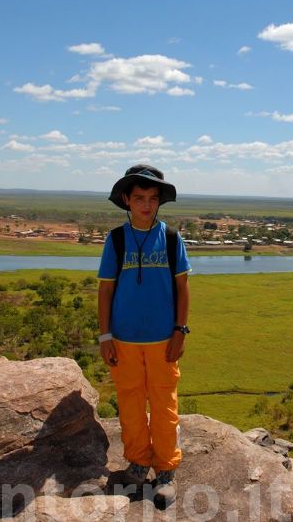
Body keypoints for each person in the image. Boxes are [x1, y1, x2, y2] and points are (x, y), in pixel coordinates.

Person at [97, 164, 191, 509]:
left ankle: (165, 471)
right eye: (139, 198)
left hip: (163, 340)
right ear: (127, 200)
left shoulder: (170, 238)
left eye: (153, 198)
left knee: (164, 404)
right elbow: (105, 291)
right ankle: (138, 463)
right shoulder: (117, 239)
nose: (147, 205)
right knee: (131, 402)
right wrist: (105, 335)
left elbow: (183, 288)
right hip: (123, 339)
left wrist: (180, 330)